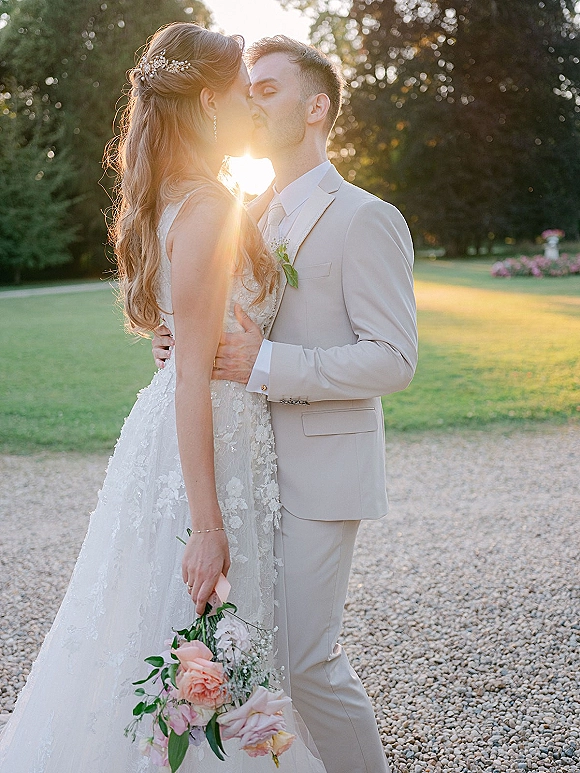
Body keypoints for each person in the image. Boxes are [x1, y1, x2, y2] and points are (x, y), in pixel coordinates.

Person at [0, 23, 325, 773]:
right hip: (205, 439)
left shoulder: (174, 194)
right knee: (199, 622)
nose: (251, 104)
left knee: (162, 626)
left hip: (192, 430)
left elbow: (186, 330)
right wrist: (206, 524)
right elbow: (192, 371)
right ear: (210, 102)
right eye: (244, 92)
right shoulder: (208, 205)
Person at [153, 35, 418, 773]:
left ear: (317, 106)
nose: (252, 99)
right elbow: (223, 315)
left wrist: (268, 364)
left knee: (306, 663)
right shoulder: (246, 211)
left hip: (322, 468)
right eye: (249, 88)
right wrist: (183, 343)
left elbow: (395, 357)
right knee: (261, 657)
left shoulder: (365, 217)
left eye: (268, 88)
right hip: (252, 464)